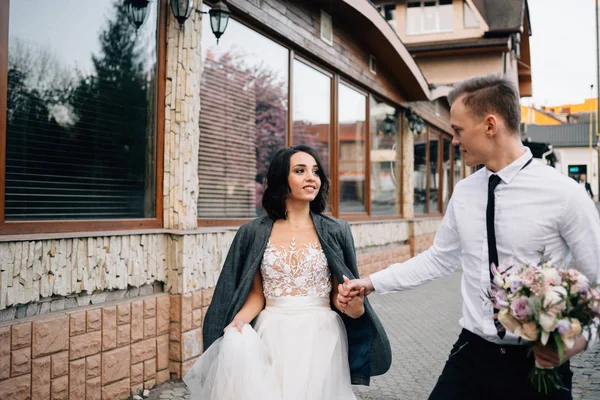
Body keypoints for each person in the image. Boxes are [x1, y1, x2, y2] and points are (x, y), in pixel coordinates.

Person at [339, 76, 600, 400]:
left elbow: (597, 284)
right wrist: (371, 282)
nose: (453, 140)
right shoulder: (463, 193)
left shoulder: (566, 196)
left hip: (540, 364)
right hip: (472, 353)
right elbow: (439, 258)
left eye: (459, 130)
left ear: (490, 125)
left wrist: (576, 343)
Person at [185, 145, 391, 400]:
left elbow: (341, 298)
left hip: (322, 336)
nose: (311, 177)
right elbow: (257, 295)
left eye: (315, 171)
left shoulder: (337, 230)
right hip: (271, 332)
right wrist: (238, 322)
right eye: (300, 170)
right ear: (282, 179)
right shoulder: (253, 232)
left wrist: (355, 306)